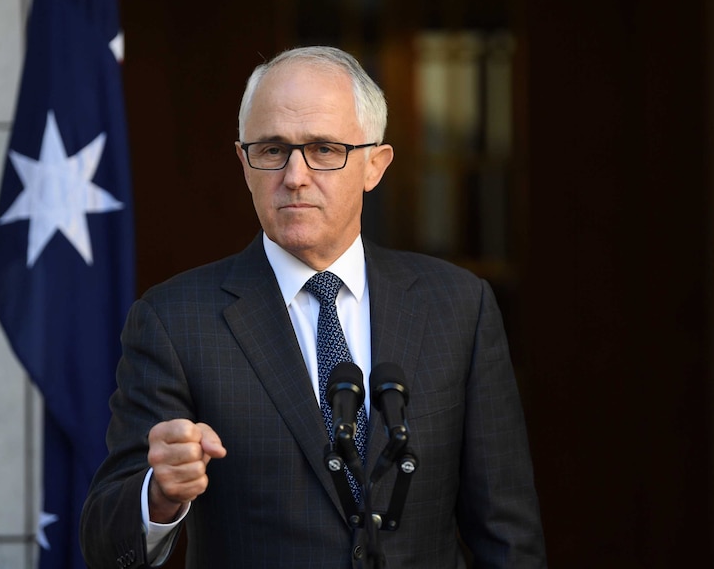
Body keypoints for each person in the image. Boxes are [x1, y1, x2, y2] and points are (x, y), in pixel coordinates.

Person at [80, 45, 547, 568]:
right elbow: (104, 541)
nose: (295, 175)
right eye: (273, 149)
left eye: (324, 149)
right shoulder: (174, 320)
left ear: (375, 164)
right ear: (244, 162)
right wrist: (159, 495)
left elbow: (507, 534)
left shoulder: (458, 306)